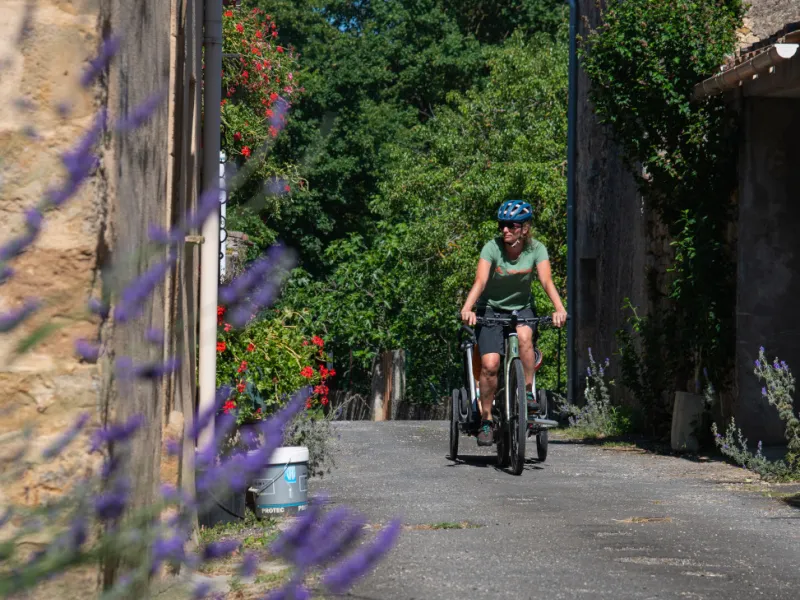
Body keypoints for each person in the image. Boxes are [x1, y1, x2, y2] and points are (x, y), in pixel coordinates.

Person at [459, 200, 567, 446]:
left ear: (524, 229)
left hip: (522, 309)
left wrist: (559, 308)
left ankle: (527, 393)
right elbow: (481, 281)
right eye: (502, 225)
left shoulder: (536, 249)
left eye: (511, 225)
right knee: (490, 364)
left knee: (526, 338)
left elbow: (546, 281)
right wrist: (467, 307)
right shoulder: (491, 248)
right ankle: (486, 420)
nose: (505, 230)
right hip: (491, 310)